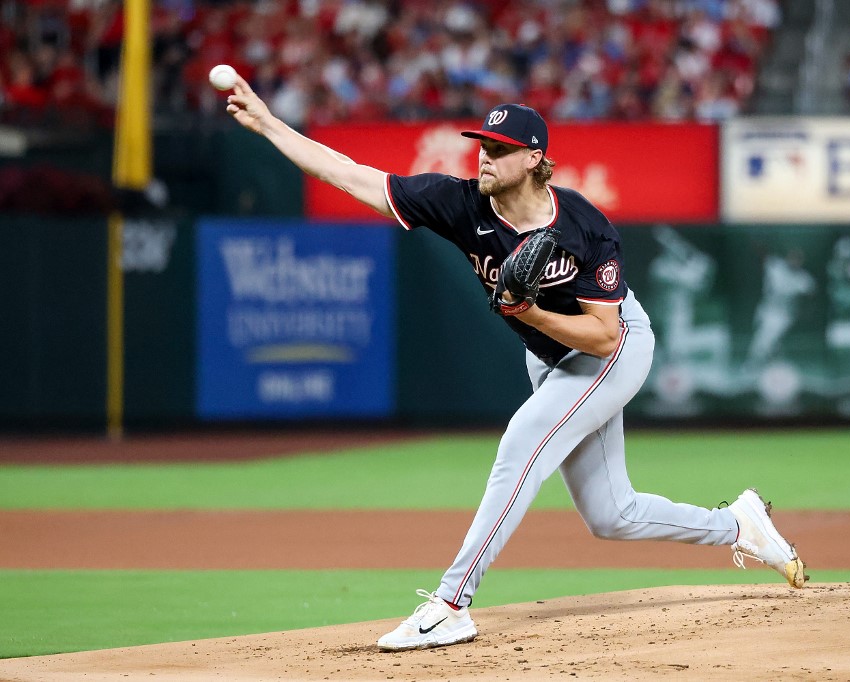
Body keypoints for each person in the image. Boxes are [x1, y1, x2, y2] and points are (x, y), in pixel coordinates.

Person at [224, 75, 806, 651]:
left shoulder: (582, 224)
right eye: (483, 146)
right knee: (612, 514)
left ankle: (452, 604)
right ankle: (739, 525)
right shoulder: (460, 204)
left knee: (522, 440)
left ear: (534, 159)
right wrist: (269, 124)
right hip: (550, 358)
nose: (486, 158)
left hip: (614, 346)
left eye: (500, 151)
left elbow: (604, 337)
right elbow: (356, 178)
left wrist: (527, 312)